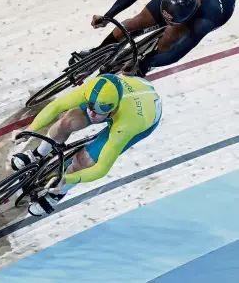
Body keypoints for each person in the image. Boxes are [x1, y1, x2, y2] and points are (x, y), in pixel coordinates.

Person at [11, 74, 162, 216]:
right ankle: (37, 154)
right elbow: (57, 106)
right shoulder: (97, 88)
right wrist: (29, 130)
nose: (92, 113)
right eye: (90, 106)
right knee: (67, 121)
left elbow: (101, 169)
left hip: (141, 116)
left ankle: (57, 194)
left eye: (98, 111)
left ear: (113, 109)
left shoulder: (127, 126)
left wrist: (67, 180)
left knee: (84, 161)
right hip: (131, 89)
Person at [69, 0, 236, 76]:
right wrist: (108, 16)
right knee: (135, 23)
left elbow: (178, 53)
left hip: (214, 11)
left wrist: (144, 64)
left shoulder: (206, 20)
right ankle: (98, 52)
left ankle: (147, 64)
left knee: (171, 36)